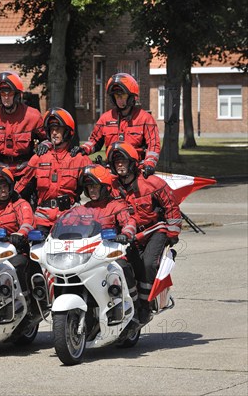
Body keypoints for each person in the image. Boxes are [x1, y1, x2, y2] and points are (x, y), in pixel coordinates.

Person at [107, 141, 182, 324]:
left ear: (132, 162)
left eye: (123, 160)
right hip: (128, 235)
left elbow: (171, 206)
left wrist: (173, 233)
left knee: (148, 264)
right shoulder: (112, 186)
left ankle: (145, 306)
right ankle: (127, 305)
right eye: (116, 161)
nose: (120, 165)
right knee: (119, 266)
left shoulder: (152, 182)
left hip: (155, 231)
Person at [15, 108, 92, 234]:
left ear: (67, 131)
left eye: (58, 129)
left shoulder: (80, 159)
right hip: (42, 219)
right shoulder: (38, 158)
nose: (54, 133)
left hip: (69, 217)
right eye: (51, 129)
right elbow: (21, 188)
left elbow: (98, 187)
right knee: (35, 251)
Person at [72, 73, 161, 178]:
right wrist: (83, 149)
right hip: (111, 172)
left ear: (132, 96)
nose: (119, 99)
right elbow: (94, 141)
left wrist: (149, 164)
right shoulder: (105, 118)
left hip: (136, 173)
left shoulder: (145, 119)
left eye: (122, 95)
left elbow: (153, 145)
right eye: (116, 96)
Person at [78, 164, 138, 308]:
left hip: (110, 253)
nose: (91, 189)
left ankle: (134, 305)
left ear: (104, 186)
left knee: (122, 267)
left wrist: (125, 234)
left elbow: (129, 222)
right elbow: (71, 225)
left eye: (95, 186)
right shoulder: (83, 209)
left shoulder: (116, 205)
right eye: (89, 187)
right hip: (88, 255)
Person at [0, 71, 46, 179]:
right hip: (1, 171)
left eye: (10, 93)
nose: (6, 97)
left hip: (26, 171)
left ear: (17, 94)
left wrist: (46, 144)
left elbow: (47, 138)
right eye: (3, 93)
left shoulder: (33, 116)